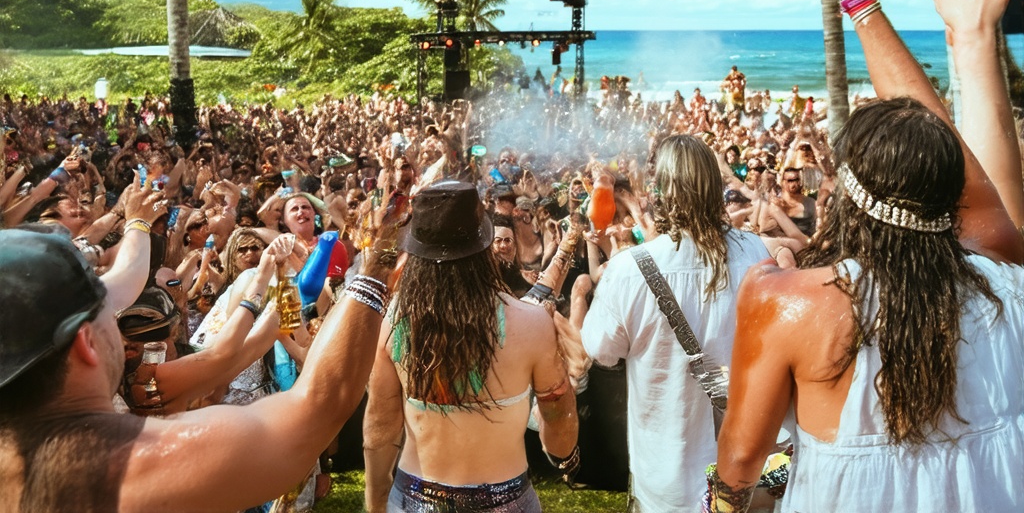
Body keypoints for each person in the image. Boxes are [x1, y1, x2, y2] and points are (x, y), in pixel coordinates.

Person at [708, 0, 1024, 512]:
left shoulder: (784, 299)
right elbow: (962, 170)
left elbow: (741, 464)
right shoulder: (1006, 277)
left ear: (848, 192)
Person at [0, 222, 402, 512]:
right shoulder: (149, 459)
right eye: (111, 312)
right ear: (85, 344)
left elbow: (244, 345)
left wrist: (276, 282)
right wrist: (376, 268)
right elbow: (318, 405)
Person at [363, 180, 579, 513]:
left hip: (412, 500)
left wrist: (377, 499)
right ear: (485, 243)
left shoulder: (394, 322)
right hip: (505, 501)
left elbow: (380, 426)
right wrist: (566, 457)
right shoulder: (531, 324)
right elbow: (558, 417)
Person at [579, 134, 768, 512]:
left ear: (661, 193)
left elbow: (600, 349)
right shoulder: (755, 252)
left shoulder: (629, 269)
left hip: (665, 479)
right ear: (715, 187)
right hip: (740, 475)